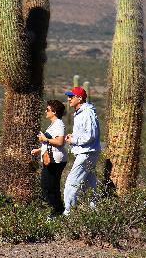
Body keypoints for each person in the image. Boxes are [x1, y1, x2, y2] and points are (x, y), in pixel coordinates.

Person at [62, 86, 101, 216]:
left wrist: (74, 140)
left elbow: (90, 135)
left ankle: (68, 214)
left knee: (71, 183)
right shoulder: (81, 112)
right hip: (87, 152)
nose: (68, 99)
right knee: (90, 185)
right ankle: (94, 213)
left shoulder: (87, 113)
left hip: (87, 153)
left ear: (79, 98)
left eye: (71, 96)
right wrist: (73, 137)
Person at [31, 99, 68, 215]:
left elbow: (60, 142)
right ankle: (58, 211)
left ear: (54, 111)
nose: (45, 111)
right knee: (52, 187)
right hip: (51, 159)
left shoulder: (59, 124)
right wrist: (40, 149)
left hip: (56, 161)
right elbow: (51, 142)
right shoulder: (54, 124)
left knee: (47, 187)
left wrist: (45, 139)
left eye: (47, 109)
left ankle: (56, 211)